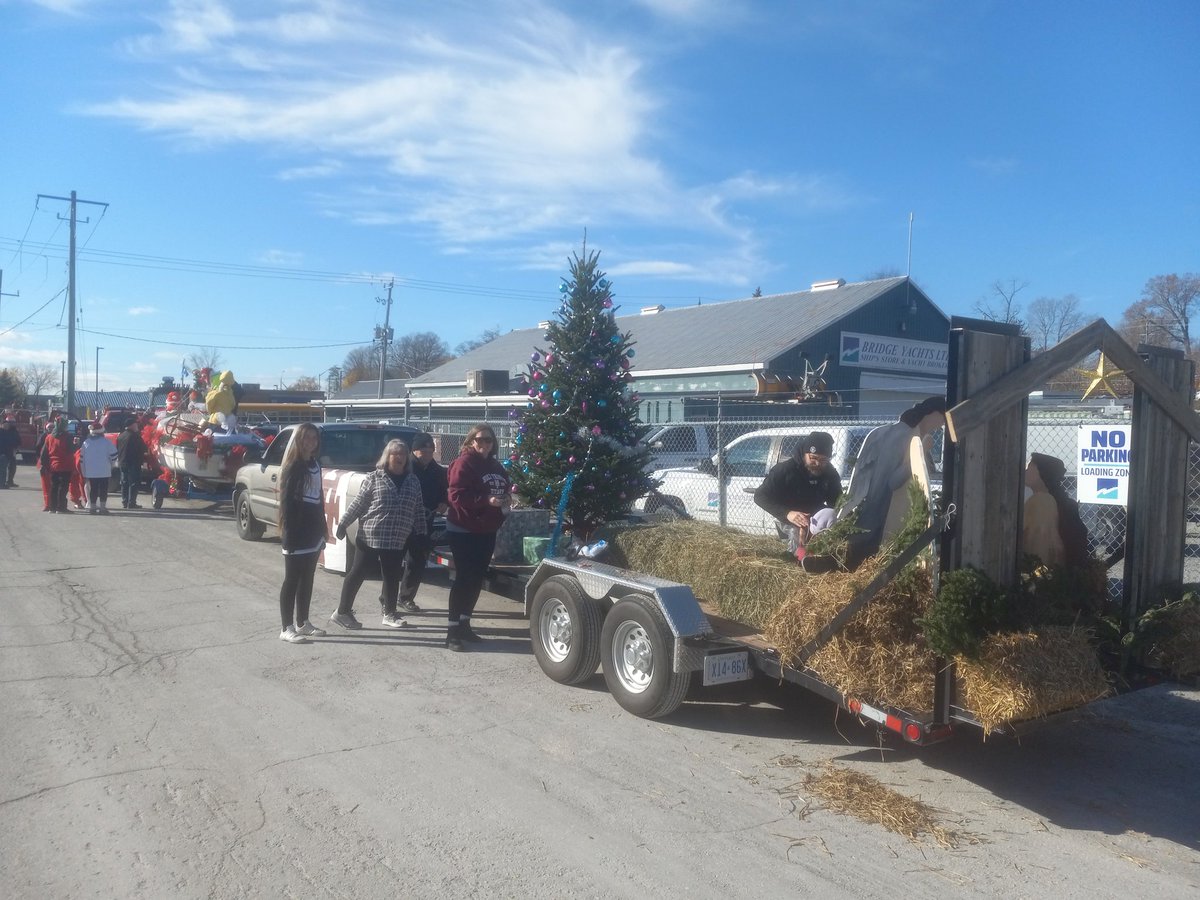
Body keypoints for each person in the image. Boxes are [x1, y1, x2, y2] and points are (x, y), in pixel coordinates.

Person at [806, 396, 948, 574]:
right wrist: (920, 453)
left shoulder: (895, 432)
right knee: (863, 549)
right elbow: (893, 482)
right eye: (941, 420)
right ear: (933, 414)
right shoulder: (905, 437)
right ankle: (828, 563)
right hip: (883, 509)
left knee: (861, 548)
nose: (940, 426)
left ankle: (829, 562)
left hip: (878, 507)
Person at [331, 439, 425, 630]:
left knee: (391, 576)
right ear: (387, 457)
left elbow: (419, 509)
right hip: (370, 536)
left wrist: (422, 532)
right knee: (357, 573)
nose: (399, 457)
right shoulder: (374, 478)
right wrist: (343, 524)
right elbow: (359, 503)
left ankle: (389, 613)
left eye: (402, 454)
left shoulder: (413, 481)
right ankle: (342, 612)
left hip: (397, 538)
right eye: (395, 453)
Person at [443, 424, 510, 652]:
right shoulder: (463, 463)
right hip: (463, 528)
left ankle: (464, 624)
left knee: (477, 579)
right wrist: (485, 500)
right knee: (463, 578)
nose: (484, 444)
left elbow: (503, 488)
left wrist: (507, 498)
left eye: (488, 440)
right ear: (471, 440)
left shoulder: (496, 466)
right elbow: (455, 495)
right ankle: (452, 632)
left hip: (487, 529)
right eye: (480, 439)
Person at [753, 431, 842, 560]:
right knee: (797, 534)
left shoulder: (830, 473)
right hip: (788, 517)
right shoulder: (784, 470)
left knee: (831, 517)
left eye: (823, 460)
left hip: (814, 516)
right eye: (813, 458)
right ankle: (800, 560)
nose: (818, 463)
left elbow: (836, 501)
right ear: (804, 453)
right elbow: (760, 496)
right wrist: (788, 513)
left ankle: (824, 558)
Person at [277, 422, 329, 643]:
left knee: (308, 578)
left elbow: (318, 499)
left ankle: (303, 622)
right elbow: (287, 504)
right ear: (299, 440)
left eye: (313, 438)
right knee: (292, 580)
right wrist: (290, 532)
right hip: (296, 531)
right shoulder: (293, 467)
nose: (310, 442)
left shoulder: (315, 464)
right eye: (306, 438)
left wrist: (323, 528)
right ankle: (286, 627)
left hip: (313, 530)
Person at [396, 431, 448, 613]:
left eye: (430, 451)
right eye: (422, 451)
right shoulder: (405, 467)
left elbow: (444, 491)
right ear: (414, 450)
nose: (426, 454)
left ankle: (406, 597)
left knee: (417, 560)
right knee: (394, 561)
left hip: (426, 520)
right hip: (402, 519)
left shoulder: (438, 470)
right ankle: (386, 597)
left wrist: (443, 502)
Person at [1022, 452, 1090, 568]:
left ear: (1042, 473)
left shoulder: (1042, 500)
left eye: (1030, 468)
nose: (1025, 471)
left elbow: (1038, 547)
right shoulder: (1056, 500)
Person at [78, 422, 118, 515]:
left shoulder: (86, 442)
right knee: (103, 489)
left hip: (91, 471)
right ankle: (103, 507)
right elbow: (114, 455)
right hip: (104, 470)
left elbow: (81, 458)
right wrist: (111, 463)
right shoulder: (107, 442)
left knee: (93, 489)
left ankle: (92, 507)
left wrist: (84, 470)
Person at [40, 417, 76, 513]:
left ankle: (52, 507)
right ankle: (61, 507)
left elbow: (43, 453)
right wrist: (76, 444)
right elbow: (70, 450)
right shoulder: (67, 437)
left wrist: (45, 465)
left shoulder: (49, 437)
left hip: (53, 466)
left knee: (54, 487)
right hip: (66, 465)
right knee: (63, 488)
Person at [116, 419, 148, 509]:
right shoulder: (135, 436)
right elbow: (143, 448)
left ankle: (124, 501)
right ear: (132, 425)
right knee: (133, 483)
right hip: (133, 462)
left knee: (124, 482)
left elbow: (117, 449)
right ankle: (131, 503)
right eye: (136, 424)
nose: (137, 426)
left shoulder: (120, 436)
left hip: (122, 462)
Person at [0, 416, 19, 488]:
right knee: (2, 470)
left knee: (11, 468)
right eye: (9, 422)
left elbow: (17, 441)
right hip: (3, 454)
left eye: (13, 422)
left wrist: (15, 448)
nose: (11, 424)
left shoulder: (13, 431)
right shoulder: (2, 432)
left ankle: (9, 482)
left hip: (10, 453)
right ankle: (2, 484)